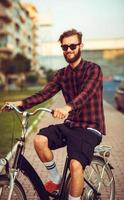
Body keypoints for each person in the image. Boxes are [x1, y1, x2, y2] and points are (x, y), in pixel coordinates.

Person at [2, 29, 106, 200]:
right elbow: (44, 93)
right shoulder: (62, 74)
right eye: (65, 47)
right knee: (39, 140)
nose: (69, 50)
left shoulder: (93, 69)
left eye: (73, 45)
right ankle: (56, 179)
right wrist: (19, 104)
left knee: (75, 164)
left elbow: (86, 93)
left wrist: (67, 108)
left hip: (90, 126)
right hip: (71, 124)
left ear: (81, 46)